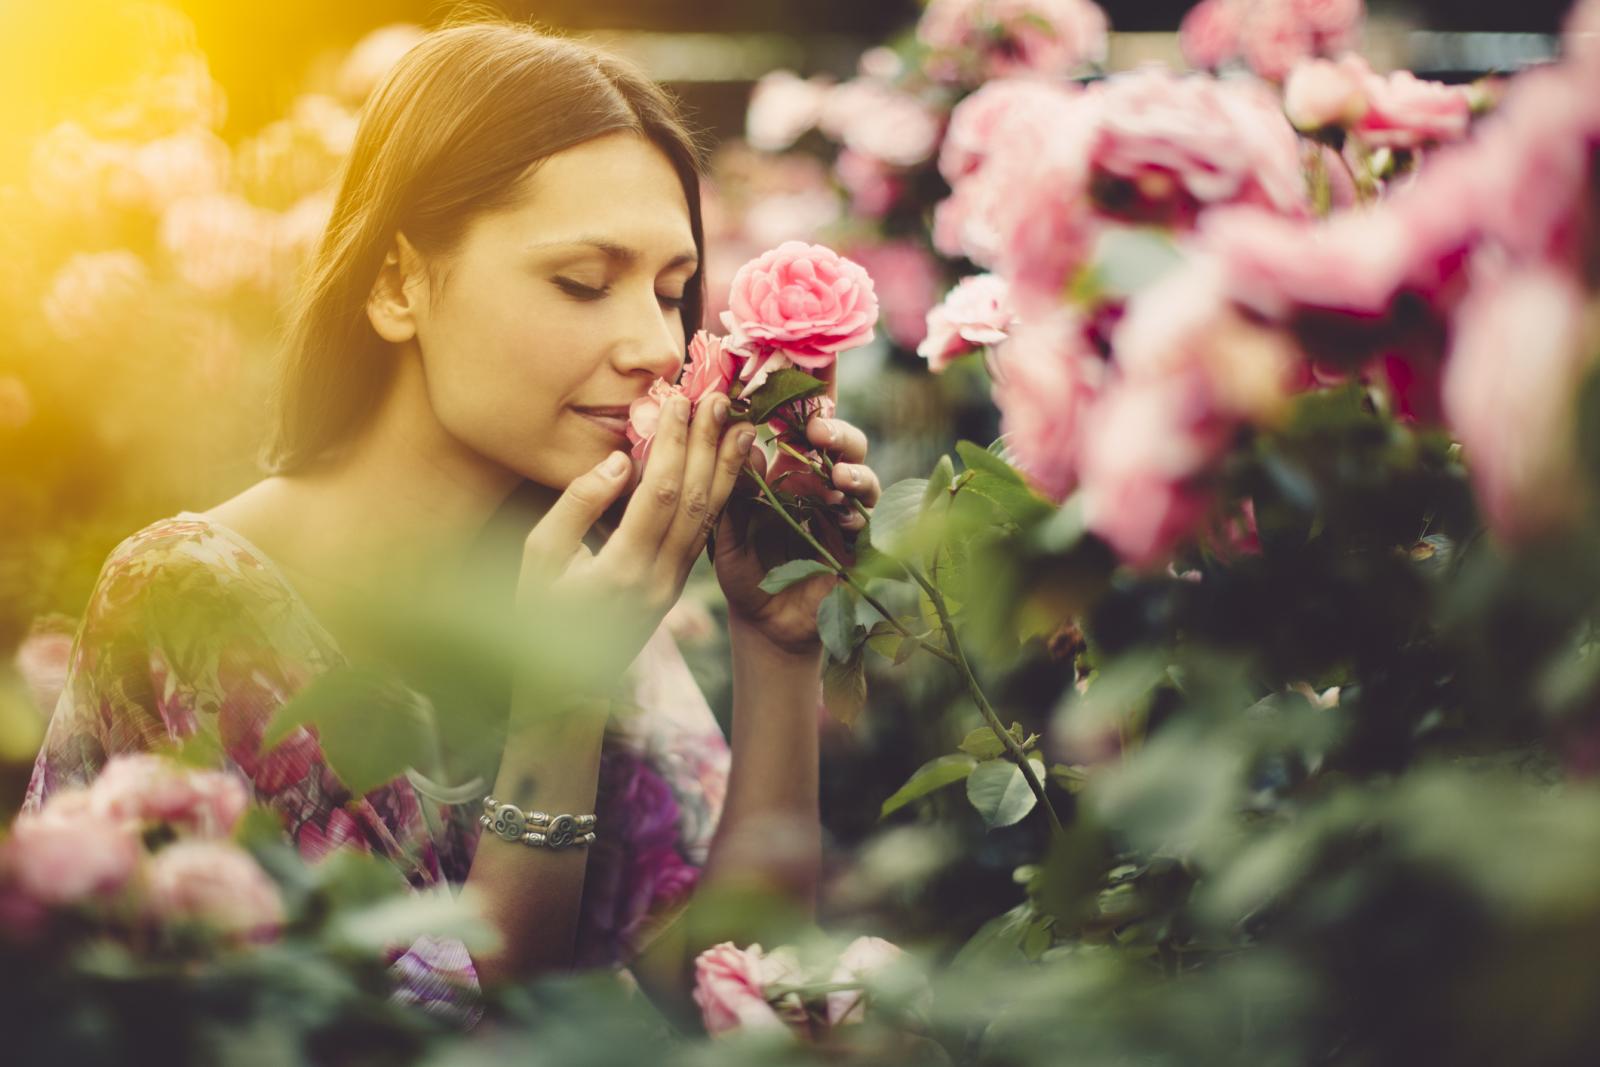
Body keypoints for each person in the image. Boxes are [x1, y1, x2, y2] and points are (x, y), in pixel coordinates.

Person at [21, 19, 882, 1029]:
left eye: (670, 291)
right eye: (579, 281)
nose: (654, 344)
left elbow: (738, 981)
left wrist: (776, 639)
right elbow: (439, 1035)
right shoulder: (192, 598)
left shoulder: (580, 569)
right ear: (397, 284)